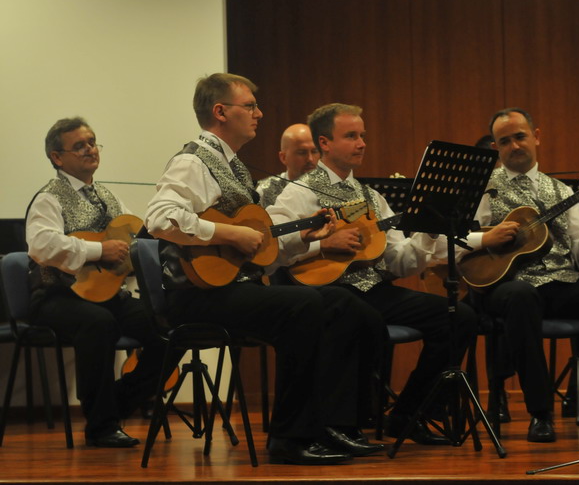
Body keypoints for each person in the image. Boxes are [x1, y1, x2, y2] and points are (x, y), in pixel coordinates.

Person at [144, 74, 385, 465]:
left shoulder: (233, 166)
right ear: (220, 112)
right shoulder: (193, 160)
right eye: (250, 106)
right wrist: (228, 233)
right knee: (303, 305)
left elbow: (259, 249)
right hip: (196, 296)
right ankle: (289, 437)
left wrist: (305, 236)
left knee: (346, 304)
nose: (260, 113)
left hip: (232, 286)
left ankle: (338, 425)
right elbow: (159, 219)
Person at [269, 103, 478, 445]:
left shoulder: (373, 197)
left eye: (362, 135)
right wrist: (324, 245)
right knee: (359, 316)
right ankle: (344, 424)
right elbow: (276, 246)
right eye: (351, 136)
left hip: (375, 290)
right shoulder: (299, 192)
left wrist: (427, 231)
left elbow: (398, 262)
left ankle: (409, 413)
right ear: (324, 143)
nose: (362, 143)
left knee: (460, 317)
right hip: (328, 293)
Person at [460, 107, 579, 443]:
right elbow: (452, 240)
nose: (515, 146)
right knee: (522, 296)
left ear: (536, 136)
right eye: (505, 141)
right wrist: (485, 238)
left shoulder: (563, 192)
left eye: (520, 136)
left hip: (561, 285)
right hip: (505, 287)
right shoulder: (483, 190)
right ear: (496, 147)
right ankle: (540, 413)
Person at [25, 117, 168, 448]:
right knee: (98, 324)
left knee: (165, 325)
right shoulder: (50, 197)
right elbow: (40, 246)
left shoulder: (107, 195)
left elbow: (134, 237)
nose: (90, 149)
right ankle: (100, 427)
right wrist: (97, 250)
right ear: (57, 157)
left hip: (104, 294)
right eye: (79, 146)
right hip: (54, 296)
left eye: (92, 142)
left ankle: (117, 402)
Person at [257, 123, 319, 207]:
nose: (310, 159)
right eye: (302, 153)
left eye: (314, 151)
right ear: (283, 157)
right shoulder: (264, 191)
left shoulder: (331, 186)